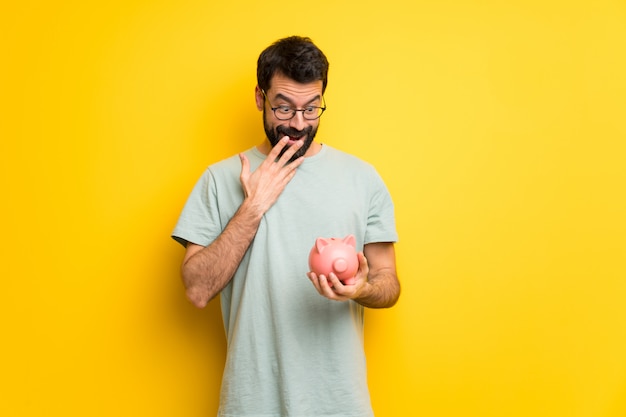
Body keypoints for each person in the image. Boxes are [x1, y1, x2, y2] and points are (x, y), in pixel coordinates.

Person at [172, 35, 400, 417]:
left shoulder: (362, 178)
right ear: (260, 98)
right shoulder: (219, 179)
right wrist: (254, 206)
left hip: (339, 404)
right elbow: (197, 289)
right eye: (284, 108)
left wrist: (363, 287)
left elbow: (389, 283)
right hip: (251, 404)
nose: (298, 123)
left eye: (311, 109)